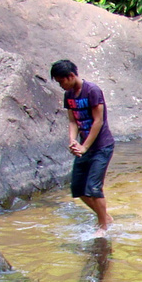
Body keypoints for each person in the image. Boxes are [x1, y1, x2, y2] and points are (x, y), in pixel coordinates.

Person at [50, 60, 115, 236]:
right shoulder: (69, 95)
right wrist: (72, 141)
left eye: (61, 81)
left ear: (71, 76)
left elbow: (98, 121)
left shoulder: (92, 90)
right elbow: (72, 120)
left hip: (101, 146)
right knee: (78, 189)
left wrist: (84, 146)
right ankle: (106, 217)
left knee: (94, 188)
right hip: (84, 146)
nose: (61, 85)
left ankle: (103, 227)